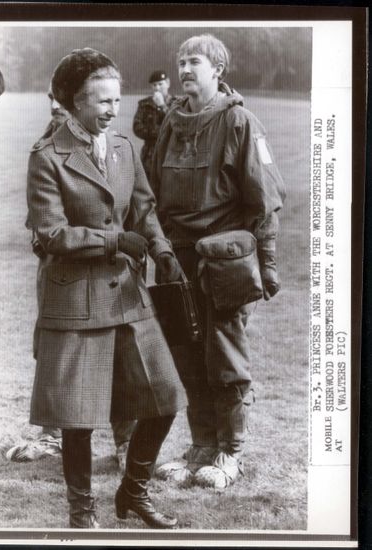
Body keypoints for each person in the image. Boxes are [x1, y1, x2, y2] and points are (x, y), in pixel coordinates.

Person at [26, 48, 187, 529]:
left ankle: (133, 493)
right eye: (102, 101)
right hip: (73, 300)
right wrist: (114, 239)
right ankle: (82, 515)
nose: (113, 110)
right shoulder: (46, 157)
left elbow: (143, 209)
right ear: (73, 102)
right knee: (77, 417)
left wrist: (161, 250)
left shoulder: (122, 145)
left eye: (117, 100)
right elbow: (50, 234)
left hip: (126, 297)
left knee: (166, 398)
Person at [151, 34, 286, 490]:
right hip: (177, 261)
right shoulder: (170, 121)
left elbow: (264, 201)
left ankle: (232, 453)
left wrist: (266, 263)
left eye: (195, 62)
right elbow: (151, 193)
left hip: (224, 262)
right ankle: (202, 447)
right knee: (187, 355)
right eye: (181, 62)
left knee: (223, 356)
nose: (185, 69)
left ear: (218, 70)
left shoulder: (240, 122)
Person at [7, 85, 136, 471]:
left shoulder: (111, 144)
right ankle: (55, 436)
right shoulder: (48, 147)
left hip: (107, 272)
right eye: (49, 99)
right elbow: (45, 226)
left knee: (119, 359)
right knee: (59, 359)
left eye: (58, 99)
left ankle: (125, 442)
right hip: (63, 272)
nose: (52, 106)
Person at [133, 70, 175, 181]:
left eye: (160, 84)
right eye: (154, 85)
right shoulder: (144, 104)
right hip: (149, 155)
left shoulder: (177, 103)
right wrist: (160, 132)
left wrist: (162, 106)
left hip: (171, 153)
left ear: (168, 83)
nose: (157, 88)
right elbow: (137, 127)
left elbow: (177, 125)